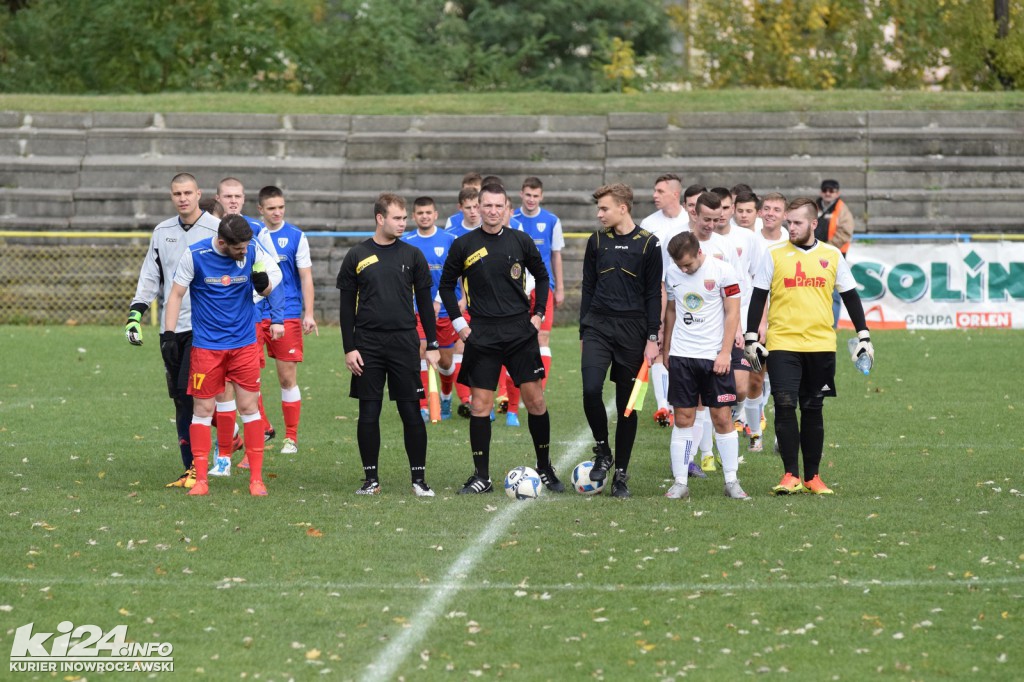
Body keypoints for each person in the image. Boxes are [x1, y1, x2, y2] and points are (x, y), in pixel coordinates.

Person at [744, 197, 874, 495]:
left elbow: (851, 296)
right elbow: (759, 296)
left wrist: (863, 334)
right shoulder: (774, 255)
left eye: (798, 223)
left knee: (813, 408)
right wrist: (752, 336)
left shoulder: (832, 255)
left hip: (821, 345)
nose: (791, 227)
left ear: (814, 224)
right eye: (789, 222)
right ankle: (790, 475)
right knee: (786, 405)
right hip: (783, 344)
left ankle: (813, 477)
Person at [438, 183, 559, 494]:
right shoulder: (463, 244)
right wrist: (460, 325)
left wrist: (538, 314)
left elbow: (542, 276)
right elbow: (446, 285)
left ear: (507, 209)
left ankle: (544, 468)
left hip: (520, 332)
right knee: (480, 406)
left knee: (535, 401)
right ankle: (481, 476)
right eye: (486, 206)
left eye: (498, 206)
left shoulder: (521, 240)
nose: (492, 211)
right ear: (478, 208)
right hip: (483, 334)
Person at [161, 214, 284, 496]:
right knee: (203, 411)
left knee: (249, 408)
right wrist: (169, 334)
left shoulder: (252, 250)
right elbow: (177, 294)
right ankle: (202, 479)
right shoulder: (196, 255)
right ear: (221, 242)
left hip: (243, 345)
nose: (244, 251)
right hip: (207, 347)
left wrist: (262, 283)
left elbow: (267, 288)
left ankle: (256, 479)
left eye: (245, 247)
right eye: (238, 248)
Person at [336, 193, 440, 497]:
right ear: (380, 218)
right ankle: (371, 480)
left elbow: (424, 303)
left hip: (404, 342)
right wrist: (349, 347)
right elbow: (345, 309)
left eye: (404, 218)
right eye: (397, 218)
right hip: (367, 344)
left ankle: (419, 480)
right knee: (369, 412)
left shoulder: (412, 255)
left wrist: (431, 343)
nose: (403, 223)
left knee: (411, 412)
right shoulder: (356, 255)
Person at [125, 173, 222, 489]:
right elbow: (150, 276)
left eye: (188, 192)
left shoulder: (216, 230)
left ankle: (201, 464)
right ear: (172, 196)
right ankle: (193, 465)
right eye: (177, 193)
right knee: (181, 400)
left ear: (199, 194)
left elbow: (242, 264)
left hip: (205, 329)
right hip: (171, 328)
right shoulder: (162, 231)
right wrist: (135, 314)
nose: (182, 198)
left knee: (191, 395)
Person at [579, 183, 662, 498]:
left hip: (634, 331)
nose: (600, 214)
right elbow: (588, 287)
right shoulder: (596, 241)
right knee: (589, 390)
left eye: (604, 208)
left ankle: (621, 477)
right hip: (598, 326)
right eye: (598, 209)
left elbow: (654, 292)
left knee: (629, 406)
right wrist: (584, 330)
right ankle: (603, 451)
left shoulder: (649, 244)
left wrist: (652, 336)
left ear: (623, 208)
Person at [662, 232, 748, 500]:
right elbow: (672, 310)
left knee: (721, 417)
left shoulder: (723, 271)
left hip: (714, 357)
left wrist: (725, 353)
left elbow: (732, 312)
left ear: (699, 252)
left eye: (687, 264)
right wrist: (666, 350)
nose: (684, 269)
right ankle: (679, 482)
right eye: (680, 265)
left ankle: (731, 481)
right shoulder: (672, 273)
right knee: (683, 418)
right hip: (682, 355)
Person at [212, 177, 282, 460]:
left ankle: (246, 441)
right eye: (227, 196)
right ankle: (231, 438)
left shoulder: (257, 231)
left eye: (237, 196)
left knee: (242, 384)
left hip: (247, 320)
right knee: (211, 390)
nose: (233, 201)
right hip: (209, 322)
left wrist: (275, 315)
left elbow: (272, 274)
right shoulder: (207, 229)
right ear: (217, 198)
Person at [254, 186, 318, 456]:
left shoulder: (296, 236)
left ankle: (291, 437)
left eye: (281, 207)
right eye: (271, 208)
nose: (277, 212)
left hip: (288, 314)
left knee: (286, 377)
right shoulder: (252, 234)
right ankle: (264, 428)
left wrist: (309, 313)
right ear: (261, 210)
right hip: (256, 313)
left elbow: (305, 277)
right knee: (247, 377)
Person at [500, 177, 565, 427]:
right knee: (513, 343)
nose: (531, 199)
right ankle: (511, 399)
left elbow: (555, 255)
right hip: (516, 289)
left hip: (541, 287)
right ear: (520, 195)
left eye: (535, 195)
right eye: (527, 194)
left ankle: (537, 393)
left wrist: (558, 287)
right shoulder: (512, 220)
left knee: (543, 337)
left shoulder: (551, 221)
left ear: (541, 196)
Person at [711, 187, 765, 439]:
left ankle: (738, 411)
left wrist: (760, 320)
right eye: (716, 208)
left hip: (741, 317)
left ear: (731, 208)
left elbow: (758, 280)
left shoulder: (747, 238)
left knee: (741, 387)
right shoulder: (702, 239)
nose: (721, 213)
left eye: (725, 208)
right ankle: (711, 437)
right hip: (710, 319)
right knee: (713, 381)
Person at [403, 196, 459, 421]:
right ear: (414, 216)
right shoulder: (406, 242)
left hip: (444, 310)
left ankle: (445, 397)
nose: (424, 216)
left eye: (428, 212)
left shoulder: (450, 240)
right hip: (416, 309)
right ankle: (424, 405)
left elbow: (455, 275)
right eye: (420, 213)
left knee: (445, 362)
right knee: (421, 352)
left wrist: (442, 300)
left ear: (436, 215)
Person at [640, 173, 688, 430]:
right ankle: (663, 406)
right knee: (658, 343)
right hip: (658, 290)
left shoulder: (689, 221)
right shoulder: (649, 223)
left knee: (680, 348)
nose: (654, 195)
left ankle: (680, 400)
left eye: (660, 191)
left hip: (688, 294)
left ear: (674, 193)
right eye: (654, 190)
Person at [744, 191, 790, 451]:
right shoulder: (750, 241)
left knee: (784, 382)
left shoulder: (791, 240)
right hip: (756, 320)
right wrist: (760, 322)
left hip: (784, 322)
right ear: (760, 213)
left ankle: (779, 437)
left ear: (785, 215)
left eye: (777, 209)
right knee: (755, 380)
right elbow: (754, 285)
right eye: (767, 209)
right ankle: (754, 436)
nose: (771, 213)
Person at [446, 187, 483, 418]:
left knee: (484, 351)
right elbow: (452, 271)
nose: (473, 211)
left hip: (487, 303)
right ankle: (466, 400)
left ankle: (484, 400)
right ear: (460, 209)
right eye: (467, 207)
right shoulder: (453, 234)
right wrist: (461, 296)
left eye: (475, 206)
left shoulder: (489, 229)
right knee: (459, 348)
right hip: (464, 301)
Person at [815, 179, 856, 328]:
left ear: (837, 193)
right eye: (825, 190)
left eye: (831, 191)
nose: (828, 193)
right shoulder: (814, 207)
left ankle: (831, 326)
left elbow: (845, 232)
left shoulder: (842, 209)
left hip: (834, 256)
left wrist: (827, 248)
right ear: (821, 191)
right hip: (813, 255)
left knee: (834, 293)